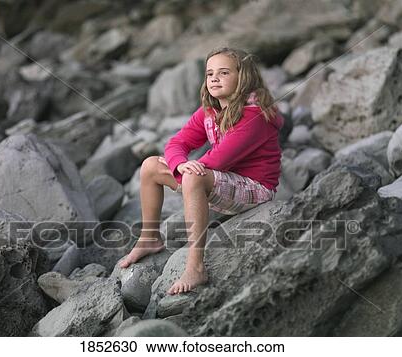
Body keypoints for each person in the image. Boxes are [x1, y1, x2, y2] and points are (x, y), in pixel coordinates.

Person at [119, 47, 284, 295]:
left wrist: (188, 171)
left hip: (255, 188)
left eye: (224, 72)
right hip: (222, 182)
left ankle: (195, 268)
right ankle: (149, 238)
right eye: (209, 74)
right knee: (151, 166)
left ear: (244, 78)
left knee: (194, 176)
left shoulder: (255, 115)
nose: (214, 78)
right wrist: (178, 164)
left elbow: (221, 158)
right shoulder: (209, 111)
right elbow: (177, 143)